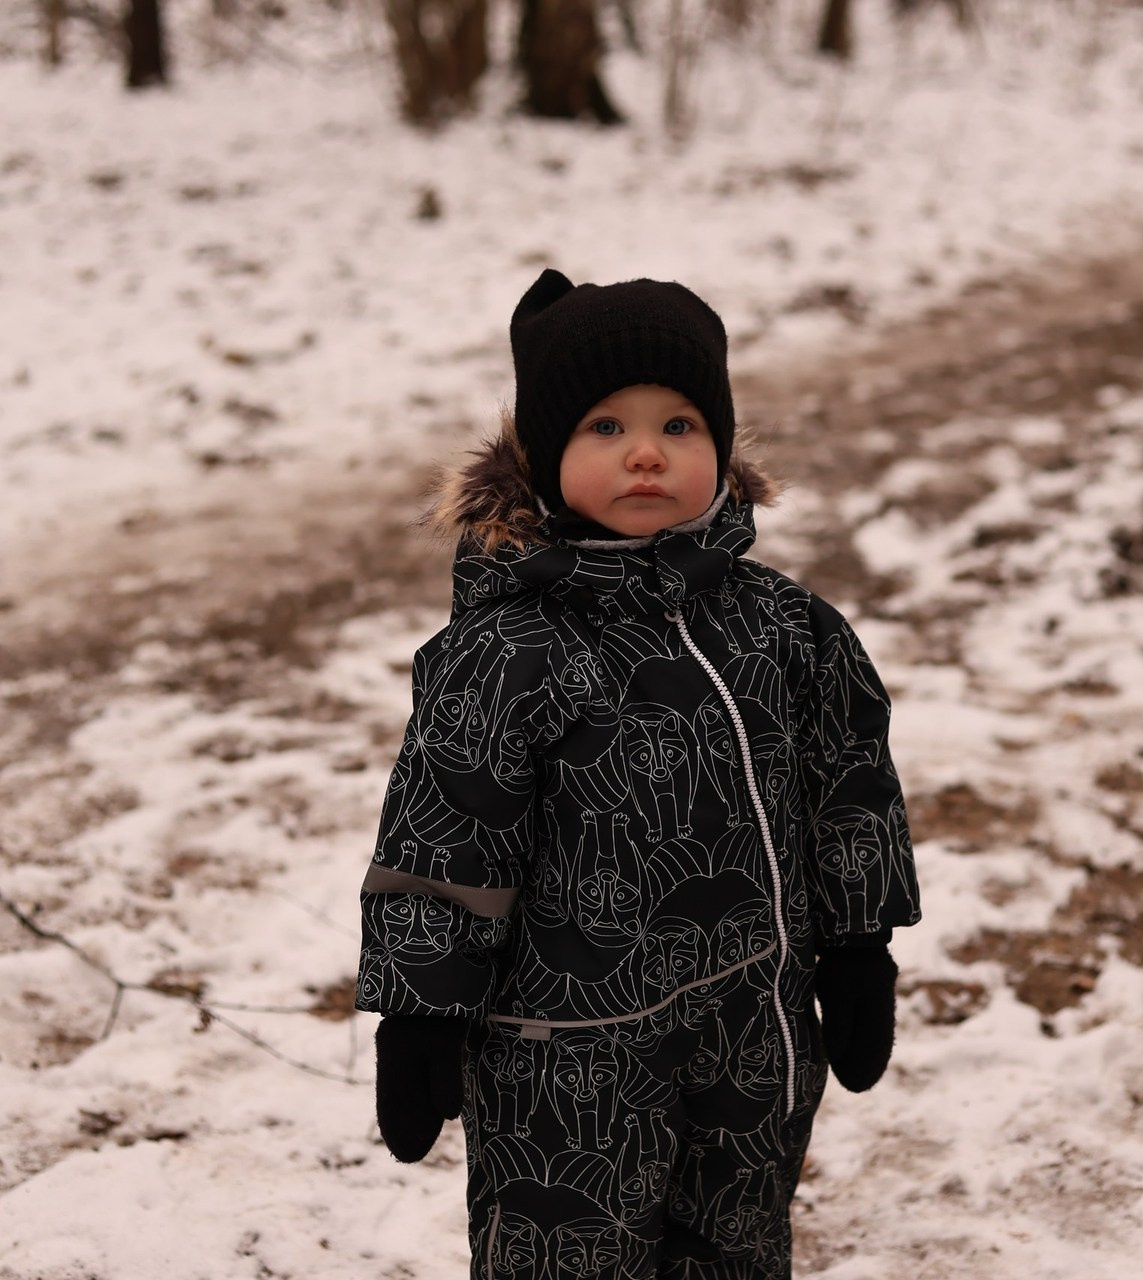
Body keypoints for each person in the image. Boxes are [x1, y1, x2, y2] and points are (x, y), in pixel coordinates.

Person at [355, 268, 921, 1280]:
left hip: (754, 1030)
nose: (647, 452)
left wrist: (858, 943)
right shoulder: (508, 651)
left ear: (723, 450)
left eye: (680, 425)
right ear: (544, 457)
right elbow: (447, 834)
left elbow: (849, 787)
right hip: (565, 1062)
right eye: (606, 427)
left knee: (736, 1246)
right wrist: (420, 1010)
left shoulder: (784, 626)